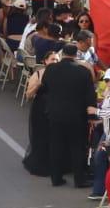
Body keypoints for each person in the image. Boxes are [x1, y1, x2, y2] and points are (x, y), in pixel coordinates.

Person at [40, 43, 98, 188]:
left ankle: (56, 178)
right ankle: (79, 179)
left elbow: (45, 87)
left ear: (63, 53)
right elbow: (90, 96)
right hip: (76, 116)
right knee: (77, 147)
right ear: (76, 55)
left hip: (55, 114)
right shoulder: (83, 72)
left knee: (56, 145)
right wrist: (91, 117)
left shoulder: (51, 69)